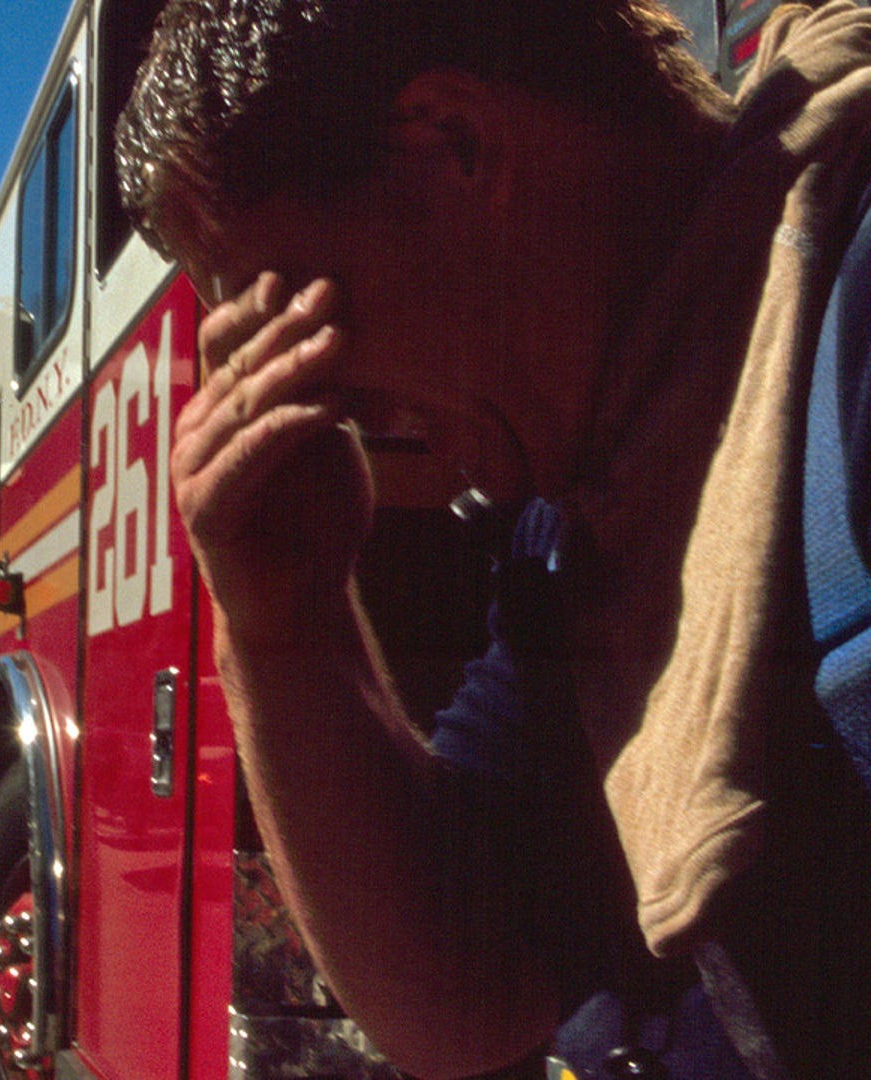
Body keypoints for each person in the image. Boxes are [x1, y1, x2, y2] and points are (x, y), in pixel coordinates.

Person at [117, 1, 871, 1077]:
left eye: (291, 304)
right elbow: (466, 999)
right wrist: (284, 625)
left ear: (453, 149)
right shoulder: (577, 535)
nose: (333, 402)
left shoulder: (850, 344)